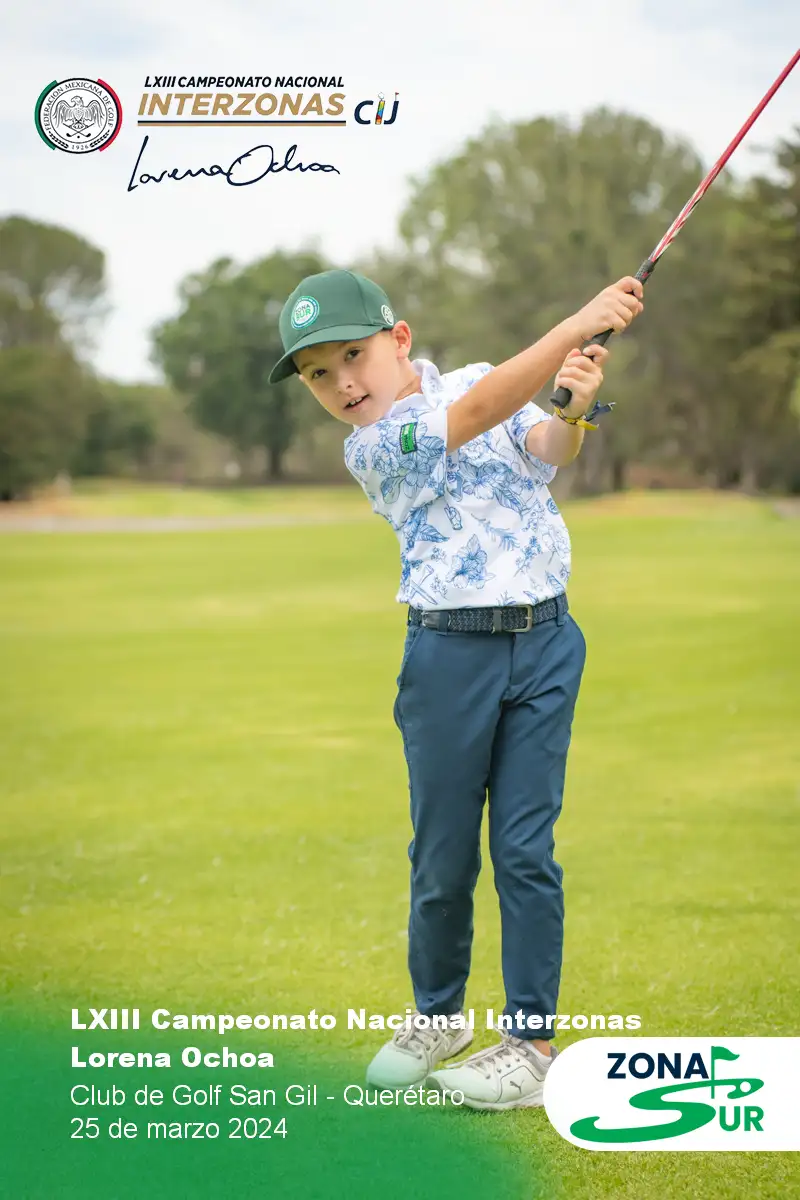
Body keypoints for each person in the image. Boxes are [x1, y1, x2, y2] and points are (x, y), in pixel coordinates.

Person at [268, 268, 643, 1110]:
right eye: (319, 375)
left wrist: (572, 412)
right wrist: (575, 320)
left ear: (398, 339)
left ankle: (531, 1047)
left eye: (353, 357)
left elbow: (545, 453)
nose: (342, 384)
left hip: (546, 643)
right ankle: (439, 1017)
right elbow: (473, 417)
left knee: (524, 850)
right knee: (442, 854)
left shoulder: (479, 379)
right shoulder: (372, 446)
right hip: (448, 656)